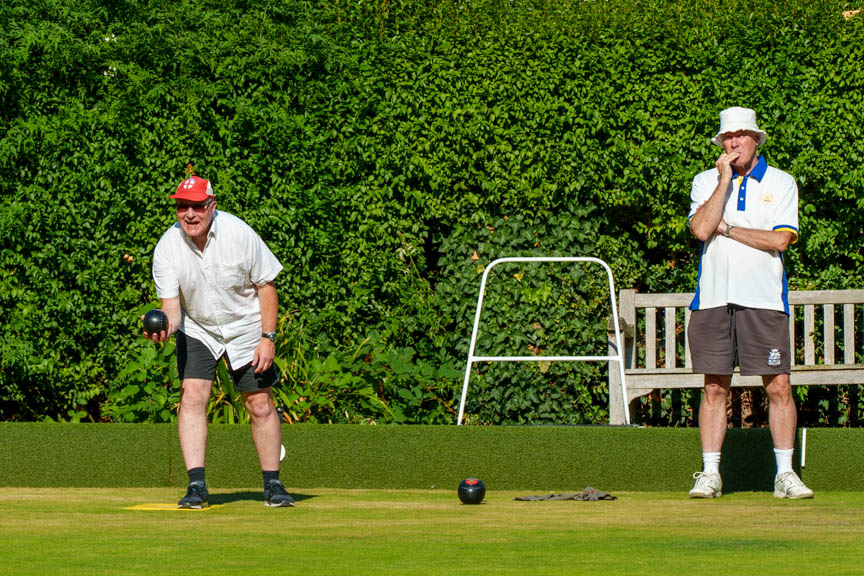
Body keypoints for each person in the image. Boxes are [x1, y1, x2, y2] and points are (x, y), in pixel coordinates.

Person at [146, 174, 294, 508]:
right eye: (182, 207)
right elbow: (173, 310)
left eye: (197, 206)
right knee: (192, 396)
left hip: (246, 328)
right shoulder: (167, 248)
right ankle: (196, 485)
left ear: (212, 206)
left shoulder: (239, 233)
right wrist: (163, 329)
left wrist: (267, 338)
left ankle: (273, 484)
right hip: (199, 329)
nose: (189, 214)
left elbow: (266, 285)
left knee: (259, 403)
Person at [687, 107, 813, 499]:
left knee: (778, 386)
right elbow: (702, 229)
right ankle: (710, 475)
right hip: (712, 299)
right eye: (727, 137)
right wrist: (723, 182)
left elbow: (779, 240)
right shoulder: (706, 181)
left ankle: (785, 475)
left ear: (756, 139)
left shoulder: (782, 181)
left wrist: (728, 229)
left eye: (741, 135)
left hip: (763, 300)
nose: (733, 142)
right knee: (713, 389)